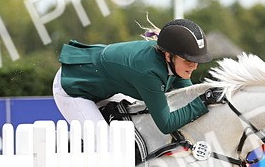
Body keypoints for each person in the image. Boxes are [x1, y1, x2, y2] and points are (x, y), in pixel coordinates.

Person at [52, 18, 212, 135]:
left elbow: (188, 96)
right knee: (106, 144)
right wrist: (205, 101)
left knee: (135, 130)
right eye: (188, 60)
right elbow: (167, 124)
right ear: (169, 56)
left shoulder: (171, 62)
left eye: (196, 61)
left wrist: (210, 98)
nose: (194, 66)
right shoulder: (149, 72)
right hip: (73, 87)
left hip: (101, 86)